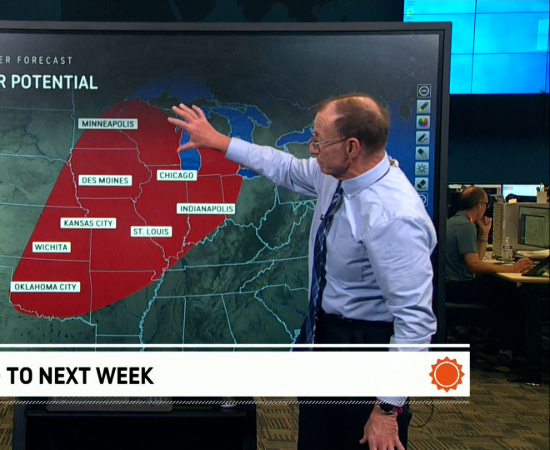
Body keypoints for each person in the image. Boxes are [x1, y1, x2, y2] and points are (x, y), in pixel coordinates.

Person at [168, 94, 436, 450]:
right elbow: (284, 167)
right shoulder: (336, 176)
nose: (312, 149)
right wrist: (219, 141)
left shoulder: (394, 217)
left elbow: (415, 321)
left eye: (319, 141)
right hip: (324, 339)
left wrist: (388, 408)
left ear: (351, 147)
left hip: (367, 351)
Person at [444, 186, 532, 367]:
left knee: (500, 287)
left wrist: (484, 232)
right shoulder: (465, 226)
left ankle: (494, 342)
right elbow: (474, 265)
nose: (486, 208)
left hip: (449, 285)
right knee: (510, 295)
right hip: (458, 287)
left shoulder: (455, 222)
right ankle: (503, 348)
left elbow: (477, 257)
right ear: (479, 206)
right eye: (486, 204)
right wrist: (512, 268)